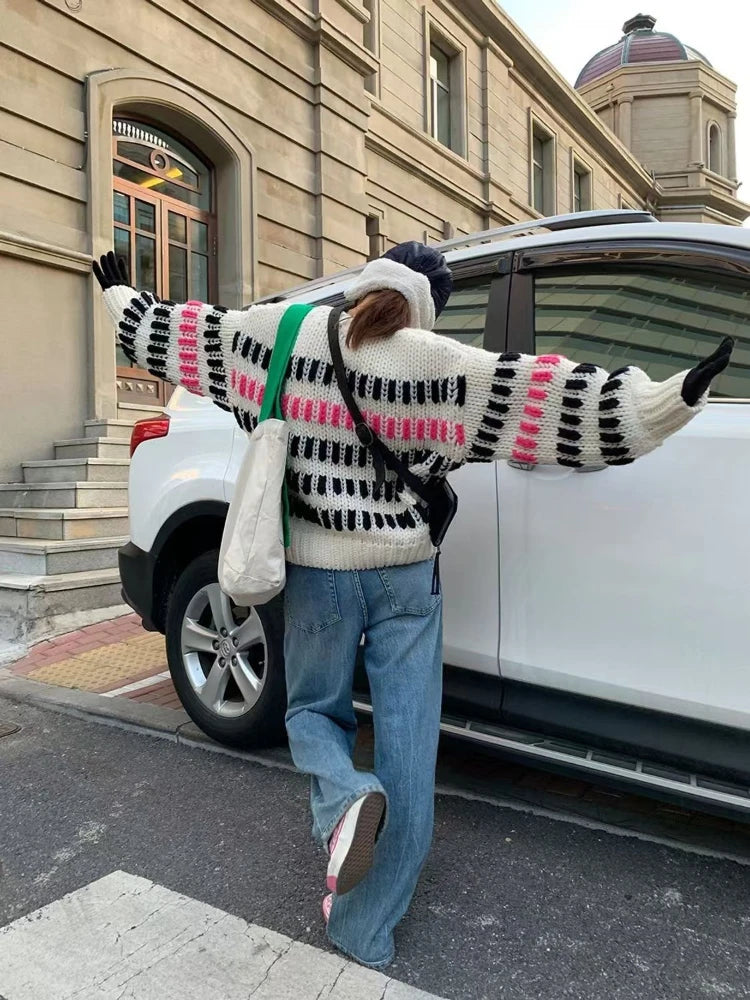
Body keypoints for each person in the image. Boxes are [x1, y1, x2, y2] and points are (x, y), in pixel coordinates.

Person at [93, 245, 731, 968]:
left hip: (319, 575)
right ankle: (365, 929)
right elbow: (548, 397)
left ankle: (344, 802)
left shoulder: (283, 332)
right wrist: (668, 400)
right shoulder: (440, 366)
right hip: (406, 580)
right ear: (427, 307)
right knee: (408, 745)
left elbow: (191, 337)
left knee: (312, 712)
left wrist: (123, 303)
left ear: (368, 283)